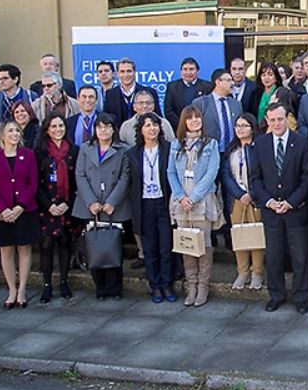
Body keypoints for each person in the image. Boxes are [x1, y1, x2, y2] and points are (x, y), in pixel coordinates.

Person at [250, 103, 308, 313]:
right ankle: (276, 295)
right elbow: (255, 178)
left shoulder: (302, 142)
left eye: (280, 119)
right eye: (272, 120)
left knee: (300, 257)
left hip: (295, 210)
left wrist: (291, 202)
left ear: (287, 119)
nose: (276, 123)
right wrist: (268, 201)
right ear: (267, 120)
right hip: (271, 211)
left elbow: (307, 177)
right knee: (274, 257)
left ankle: (301, 297)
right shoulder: (260, 144)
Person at [0, 121, 40, 309]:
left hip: (24, 210)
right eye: (11, 130)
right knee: (6, 251)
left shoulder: (28, 155)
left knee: (24, 249)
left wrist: (20, 206)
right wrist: (3, 209)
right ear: (1, 135)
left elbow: (33, 183)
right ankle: (11, 290)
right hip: (1, 212)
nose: (15, 133)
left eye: (17, 130)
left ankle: (22, 289)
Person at [167, 106, 221, 307]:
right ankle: (192, 286)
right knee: (186, 244)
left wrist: (195, 197)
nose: (194, 121)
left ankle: (203, 285)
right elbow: (171, 172)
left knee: (204, 244)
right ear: (184, 122)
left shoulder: (211, 144)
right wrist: (181, 196)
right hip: (181, 201)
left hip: (202, 200)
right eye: (189, 118)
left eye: (197, 117)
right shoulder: (175, 145)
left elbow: (211, 172)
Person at [73, 115, 131, 300]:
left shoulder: (123, 150)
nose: (103, 131)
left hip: (113, 206)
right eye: (99, 127)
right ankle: (100, 288)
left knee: (113, 248)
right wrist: (91, 202)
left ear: (114, 129)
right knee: (95, 248)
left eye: (107, 127)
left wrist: (112, 202)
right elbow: (80, 176)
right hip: (91, 206)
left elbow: (125, 178)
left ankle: (115, 288)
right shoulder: (85, 148)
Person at [127, 113, 175, 303]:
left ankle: (167, 284)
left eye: (155, 124)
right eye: (147, 125)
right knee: (149, 248)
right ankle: (154, 285)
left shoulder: (169, 149)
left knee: (166, 247)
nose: (152, 128)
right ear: (140, 130)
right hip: (144, 204)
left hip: (164, 203)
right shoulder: (132, 153)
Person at [34, 114, 81, 302]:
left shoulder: (73, 151)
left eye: (60, 125)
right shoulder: (39, 152)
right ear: (47, 129)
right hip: (46, 206)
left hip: (67, 205)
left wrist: (66, 204)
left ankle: (63, 281)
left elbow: (77, 180)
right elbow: (35, 182)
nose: (58, 129)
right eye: (53, 126)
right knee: (46, 245)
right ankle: (47, 285)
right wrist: (49, 205)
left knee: (64, 243)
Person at [223, 113, 264, 290]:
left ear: (252, 128)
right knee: (239, 236)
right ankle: (242, 272)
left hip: (255, 199)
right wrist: (240, 194)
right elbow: (226, 175)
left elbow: (263, 174)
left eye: (244, 126)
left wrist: (252, 194)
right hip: (236, 199)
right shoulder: (231, 149)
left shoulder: (259, 147)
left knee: (256, 236)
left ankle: (257, 273)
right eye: (238, 126)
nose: (240, 129)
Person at [192, 68, 242, 156]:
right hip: (209, 153)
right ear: (218, 82)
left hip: (233, 152)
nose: (232, 83)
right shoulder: (201, 103)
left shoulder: (236, 104)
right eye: (229, 80)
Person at [105, 57, 160, 122]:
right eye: (122, 71)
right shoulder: (110, 94)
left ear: (134, 72)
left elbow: (158, 118)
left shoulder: (150, 92)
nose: (126, 75)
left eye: (129, 71)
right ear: (118, 74)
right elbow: (107, 119)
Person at [163, 57, 211, 129]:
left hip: (202, 128)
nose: (188, 72)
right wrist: (183, 125)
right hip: (179, 129)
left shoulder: (207, 86)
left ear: (198, 71)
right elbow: (169, 110)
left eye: (191, 69)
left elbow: (210, 110)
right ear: (181, 71)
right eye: (185, 69)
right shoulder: (172, 86)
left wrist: (198, 124)